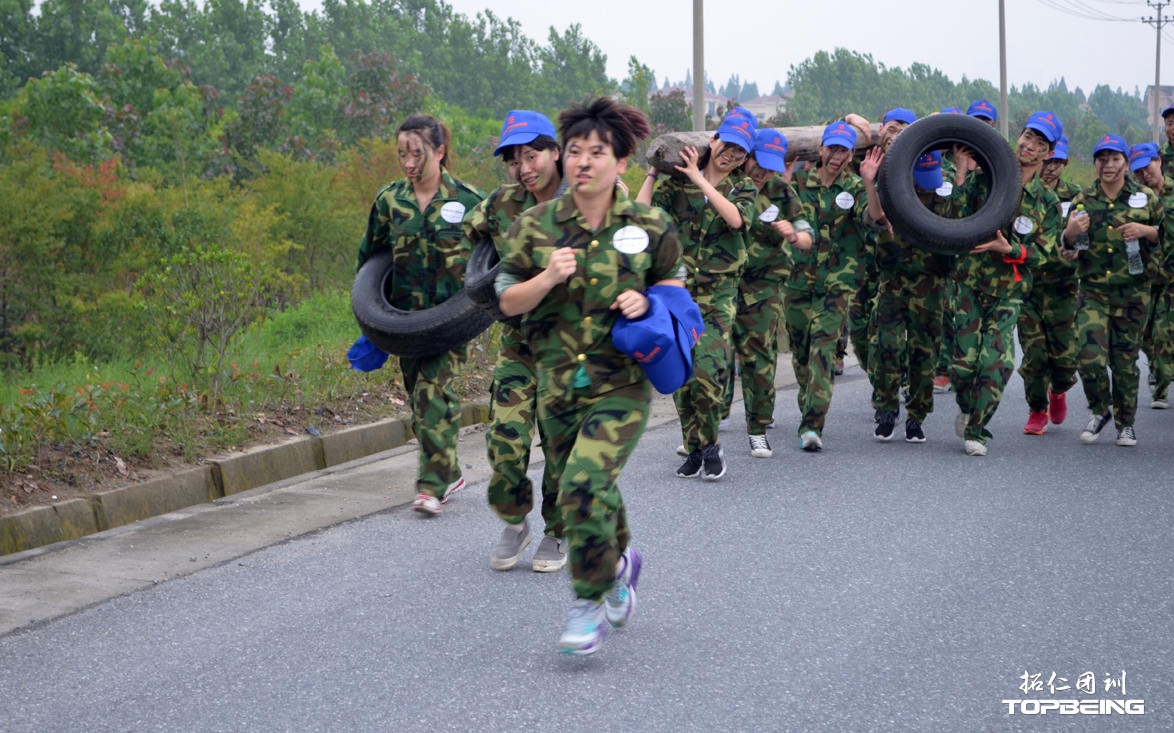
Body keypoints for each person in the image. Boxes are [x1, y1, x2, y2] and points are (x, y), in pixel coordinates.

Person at [497, 97, 685, 655]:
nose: (583, 161)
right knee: (591, 488)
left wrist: (646, 305)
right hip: (557, 385)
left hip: (621, 384)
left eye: (596, 152)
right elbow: (506, 300)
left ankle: (587, 600)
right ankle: (621, 561)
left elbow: (677, 297)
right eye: (575, 150)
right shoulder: (536, 226)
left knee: (580, 486)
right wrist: (547, 279)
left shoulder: (650, 226)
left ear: (620, 162)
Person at [356, 114, 484, 516]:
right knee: (419, 400)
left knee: (434, 393)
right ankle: (451, 469)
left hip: (453, 321)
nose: (408, 163)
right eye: (401, 154)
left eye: (417, 154)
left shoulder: (468, 202)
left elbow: (498, 255)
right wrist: (372, 322)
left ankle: (431, 487)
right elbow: (370, 260)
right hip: (404, 323)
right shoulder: (390, 201)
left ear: (440, 151)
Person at [464, 110, 569, 571]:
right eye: (514, 160)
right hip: (519, 342)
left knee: (561, 447)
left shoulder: (586, 199)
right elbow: (470, 235)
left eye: (532, 155)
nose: (524, 168)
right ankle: (515, 521)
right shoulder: (503, 204)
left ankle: (559, 532)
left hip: (570, 346)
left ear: (555, 152)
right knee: (504, 438)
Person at [638, 110, 758, 479]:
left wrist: (699, 178)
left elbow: (736, 219)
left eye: (740, 151)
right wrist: (654, 172)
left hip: (718, 293)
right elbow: (641, 216)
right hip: (676, 292)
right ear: (714, 140)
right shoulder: (676, 186)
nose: (731, 155)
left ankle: (710, 442)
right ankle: (696, 448)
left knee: (708, 369)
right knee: (679, 377)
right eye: (727, 145)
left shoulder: (744, 188)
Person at [949, 111, 1061, 456]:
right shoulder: (987, 178)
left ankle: (977, 430)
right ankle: (968, 406)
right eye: (1028, 136)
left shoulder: (1047, 202)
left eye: (1039, 143)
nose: (1030, 146)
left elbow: (1046, 253)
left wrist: (1009, 248)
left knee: (997, 362)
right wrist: (962, 174)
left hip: (1010, 290)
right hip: (971, 281)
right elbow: (953, 218)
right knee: (963, 364)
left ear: (1047, 154)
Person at [1062, 134, 1165, 446]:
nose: (1108, 165)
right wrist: (1069, 233)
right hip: (1093, 290)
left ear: (1125, 162)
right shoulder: (1082, 201)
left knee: (1124, 361)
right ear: (1095, 163)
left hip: (1133, 292)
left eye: (1115, 158)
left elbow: (1166, 241)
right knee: (1088, 356)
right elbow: (1067, 251)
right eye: (1102, 159)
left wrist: (1148, 232)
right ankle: (1099, 409)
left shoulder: (1146, 198)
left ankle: (1126, 422)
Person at [785, 120, 881, 451]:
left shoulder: (854, 186)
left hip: (837, 284)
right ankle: (807, 403)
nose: (839, 156)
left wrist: (869, 182)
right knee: (800, 354)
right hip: (797, 281)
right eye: (834, 149)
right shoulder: (798, 180)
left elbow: (875, 217)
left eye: (846, 151)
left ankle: (812, 426)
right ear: (822, 149)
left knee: (822, 353)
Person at [723, 128, 814, 458]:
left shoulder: (781, 191)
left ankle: (757, 428)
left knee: (759, 358)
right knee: (715, 354)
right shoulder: (726, 184)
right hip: (723, 283)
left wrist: (793, 236)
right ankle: (706, 426)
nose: (763, 172)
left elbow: (807, 234)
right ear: (747, 157)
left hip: (763, 287)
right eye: (759, 163)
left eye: (771, 166)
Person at [861, 145, 957, 444]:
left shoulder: (946, 192)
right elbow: (876, 216)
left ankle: (916, 416)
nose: (922, 184)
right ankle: (887, 410)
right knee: (886, 347)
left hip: (931, 284)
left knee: (923, 353)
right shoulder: (893, 187)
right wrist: (869, 182)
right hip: (894, 280)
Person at [1017, 132, 1080, 436]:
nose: (1051, 167)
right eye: (1048, 161)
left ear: (1064, 163)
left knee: (1065, 358)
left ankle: (1059, 390)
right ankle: (1037, 408)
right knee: (1035, 354)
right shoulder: (1022, 190)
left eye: (1057, 162)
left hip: (1063, 287)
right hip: (1029, 286)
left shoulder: (1076, 197)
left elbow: (1085, 244)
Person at [1130, 142, 1174, 408]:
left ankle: (1161, 387)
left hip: (1172, 275)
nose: (1144, 175)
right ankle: (1160, 369)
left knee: (1162, 331)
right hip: (1146, 274)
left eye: (1147, 167)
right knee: (1144, 334)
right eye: (1137, 172)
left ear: (1159, 161)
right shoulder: (1135, 199)